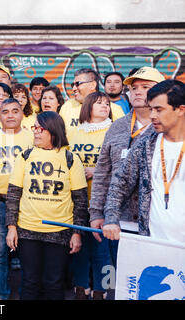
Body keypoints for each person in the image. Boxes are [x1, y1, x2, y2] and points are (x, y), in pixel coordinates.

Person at [6, 111, 88, 300]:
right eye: (34, 128)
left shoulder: (70, 159)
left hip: (60, 231)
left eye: (40, 128)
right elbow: (13, 194)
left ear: (53, 130)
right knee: (29, 282)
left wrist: (76, 233)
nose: (35, 132)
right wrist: (12, 227)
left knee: (54, 282)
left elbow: (80, 200)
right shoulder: (25, 156)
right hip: (27, 230)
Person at [89, 66, 165, 264]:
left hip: (160, 224)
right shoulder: (117, 126)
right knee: (126, 281)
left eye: (145, 86)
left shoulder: (171, 127)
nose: (137, 91)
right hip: (119, 222)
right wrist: (97, 212)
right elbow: (103, 173)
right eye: (133, 88)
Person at [102, 79, 185, 244]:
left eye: (159, 110)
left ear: (180, 110)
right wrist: (111, 218)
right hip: (152, 244)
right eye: (151, 109)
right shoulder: (146, 145)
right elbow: (120, 184)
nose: (153, 115)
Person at [0, 98, 33, 300]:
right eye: (5, 112)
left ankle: (28, 293)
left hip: (27, 203)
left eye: (15, 111)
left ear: (22, 114)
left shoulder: (32, 138)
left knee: (29, 254)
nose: (10, 115)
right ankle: (1, 292)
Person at [67, 92, 113, 300]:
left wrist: (97, 171)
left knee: (103, 249)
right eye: (99, 103)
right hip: (77, 200)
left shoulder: (115, 131)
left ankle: (104, 289)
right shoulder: (73, 132)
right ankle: (81, 287)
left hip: (104, 201)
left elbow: (123, 166)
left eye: (107, 103)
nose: (105, 106)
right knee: (79, 246)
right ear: (88, 107)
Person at [59, 68, 124, 131]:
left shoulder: (114, 110)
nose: (74, 88)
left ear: (92, 85)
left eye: (78, 84)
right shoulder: (67, 106)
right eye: (73, 85)